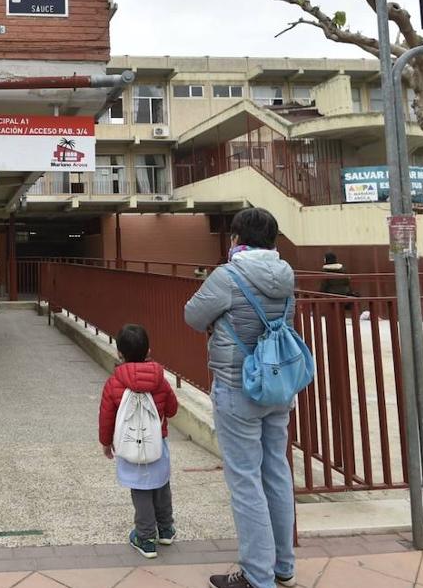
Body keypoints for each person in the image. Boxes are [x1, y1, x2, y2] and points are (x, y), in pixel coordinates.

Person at [184, 207, 297, 588]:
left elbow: (193, 316)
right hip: (277, 385)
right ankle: (283, 565)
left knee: (245, 480)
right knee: (276, 472)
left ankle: (257, 575)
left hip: (237, 386)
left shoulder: (227, 276)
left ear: (236, 239)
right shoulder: (286, 276)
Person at [98, 323, 179, 560]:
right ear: (149, 351)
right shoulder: (160, 381)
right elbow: (172, 409)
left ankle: (145, 537)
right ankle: (165, 529)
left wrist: (106, 442)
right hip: (157, 443)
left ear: (119, 353)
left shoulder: (114, 383)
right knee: (161, 484)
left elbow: (106, 416)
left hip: (130, 444)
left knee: (141, 489)